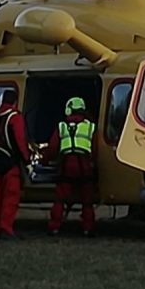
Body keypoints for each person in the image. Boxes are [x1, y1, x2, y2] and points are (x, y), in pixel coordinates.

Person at [44, 96, 98, 237]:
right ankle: (88, 228)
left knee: (60, 199)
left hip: (66, 166)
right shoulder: (91, 127)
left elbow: (52, 148)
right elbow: (95, 150)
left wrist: (44, 161)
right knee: (87, 201)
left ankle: (54, 227)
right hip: (84, 166)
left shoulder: (61, 126)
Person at [0, 87, 28, 240]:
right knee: (10, 198)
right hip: (10, 164)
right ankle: (6, 229)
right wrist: (27, 160)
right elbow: (20, 141)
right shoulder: (14, 118)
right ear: (15, 102)